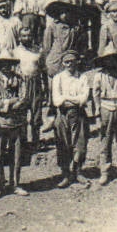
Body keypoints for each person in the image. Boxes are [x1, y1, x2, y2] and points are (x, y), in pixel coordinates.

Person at [0, 55, 31, 197]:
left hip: (18, 123)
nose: (6, 67)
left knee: (17, 154)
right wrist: (11, 103)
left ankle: (15, 184)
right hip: (0, 124)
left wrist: (7, 103)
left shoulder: (20, 80)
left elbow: (24, 99)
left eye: (8, 64)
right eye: (2, 64)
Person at [87, 51, 117, 184]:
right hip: (106, 108)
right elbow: (95, 95)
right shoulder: (99, 75)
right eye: (107, 59)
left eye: (113, 59)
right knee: (105, 141)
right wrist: (97, 114)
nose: (110, 61)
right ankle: (105, 171)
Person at [49, 51, 92, 188]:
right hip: (62, 114)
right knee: (63, 143)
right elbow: (56, 100)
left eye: (72, 61)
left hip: (79, 114)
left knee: (80, 143)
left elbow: (84, 98)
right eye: (66, 62)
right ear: (62, 63)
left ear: (77, 61)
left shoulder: (83, 77)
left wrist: (67, 98)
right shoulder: (58, 78)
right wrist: (73, 100)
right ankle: (66, 174)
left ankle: (78, 172)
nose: (69, 64)